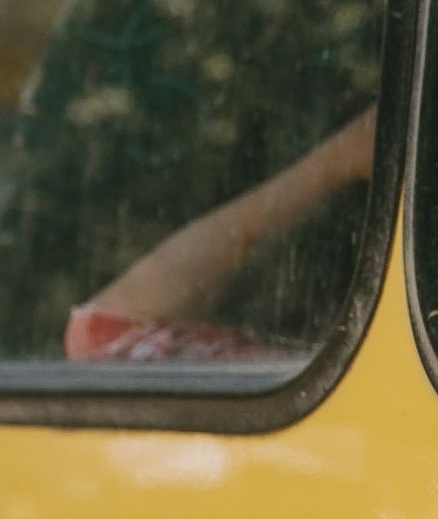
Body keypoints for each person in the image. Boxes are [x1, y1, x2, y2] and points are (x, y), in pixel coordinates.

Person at [63, 107, 376, 360]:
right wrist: (339, 161)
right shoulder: (293, 384)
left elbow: (102, 333)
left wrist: (338, 163)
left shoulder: (288, 388)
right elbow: (104, 332)